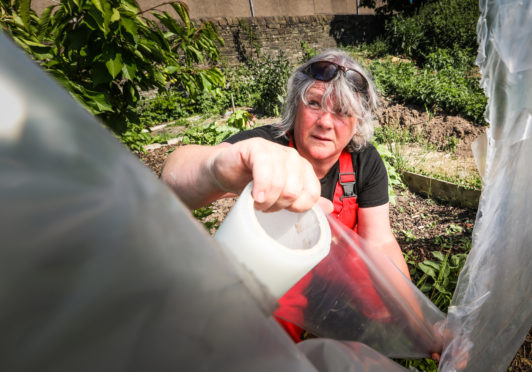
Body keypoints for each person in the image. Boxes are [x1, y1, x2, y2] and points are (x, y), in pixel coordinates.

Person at [162, 48, 415, 345]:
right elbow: (172, 177)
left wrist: (420, 324)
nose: (325, 121)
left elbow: (380, 241)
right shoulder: (266, 145)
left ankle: (347, 329)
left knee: (377, 290)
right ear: (296, 106)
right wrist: (218, 167)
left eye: (342, 111)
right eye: (314, 103)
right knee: (262, 337)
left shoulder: (364, 161)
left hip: (336, 277)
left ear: (357, 123)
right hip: (282, 274)